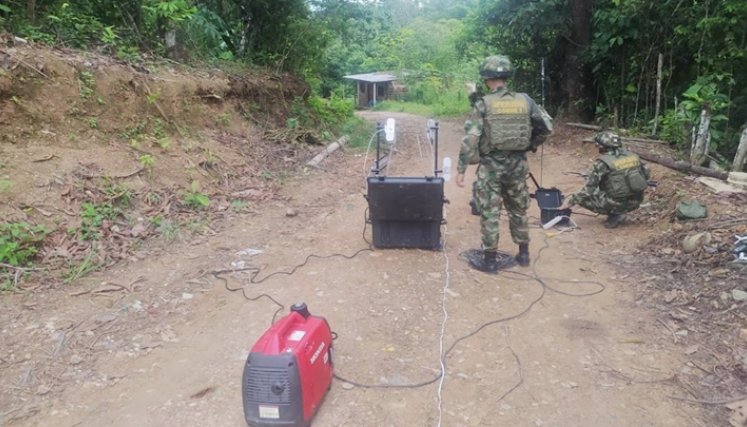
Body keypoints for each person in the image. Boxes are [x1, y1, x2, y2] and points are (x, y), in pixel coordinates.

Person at [456, 55, 552, 273]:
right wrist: (530, 145)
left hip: (491, 166)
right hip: (518, 165)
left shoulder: (483, 103)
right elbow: (546, 127)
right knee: (518, 208)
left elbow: (471, 137)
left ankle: (490, 260)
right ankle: (524, 254)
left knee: (489, 210)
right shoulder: (525, 100)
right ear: (507, 76)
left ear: (487, 79)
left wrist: (461, 169)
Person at [559, 131, 650, 228]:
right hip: (636, 201)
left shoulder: (602, 163)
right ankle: (618, 211)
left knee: (583, 199)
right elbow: (646, 175)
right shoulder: (633, 156)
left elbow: (588, 190)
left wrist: (570, 201)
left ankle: (616, 213)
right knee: (605, 190)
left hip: (619, 203)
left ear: (601, 146)